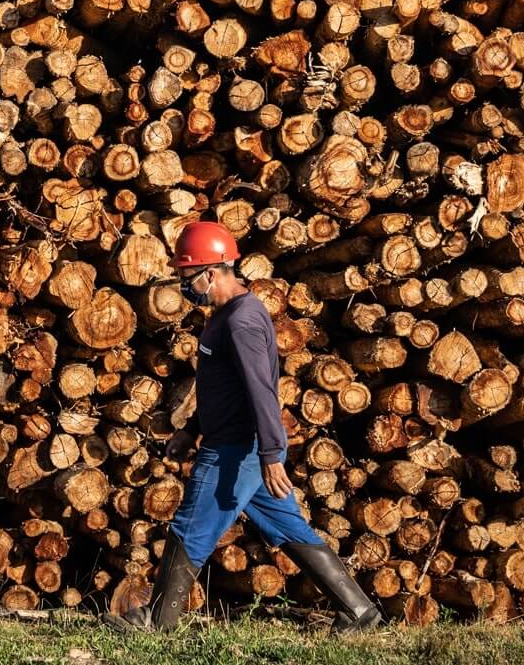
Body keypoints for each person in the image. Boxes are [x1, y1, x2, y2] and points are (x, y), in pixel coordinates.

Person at [103, 221, 383, 634]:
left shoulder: (242, 322)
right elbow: (225, 387)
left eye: (186, 277)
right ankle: (360, 611)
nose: (183, 286)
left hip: (238, 450)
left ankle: (156, 622)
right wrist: (191, 429)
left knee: (191, 526)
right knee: (289, 527)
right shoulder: (225, 316)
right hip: (234, 444)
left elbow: (261, 392)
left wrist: (271, 455)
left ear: (211, 272)